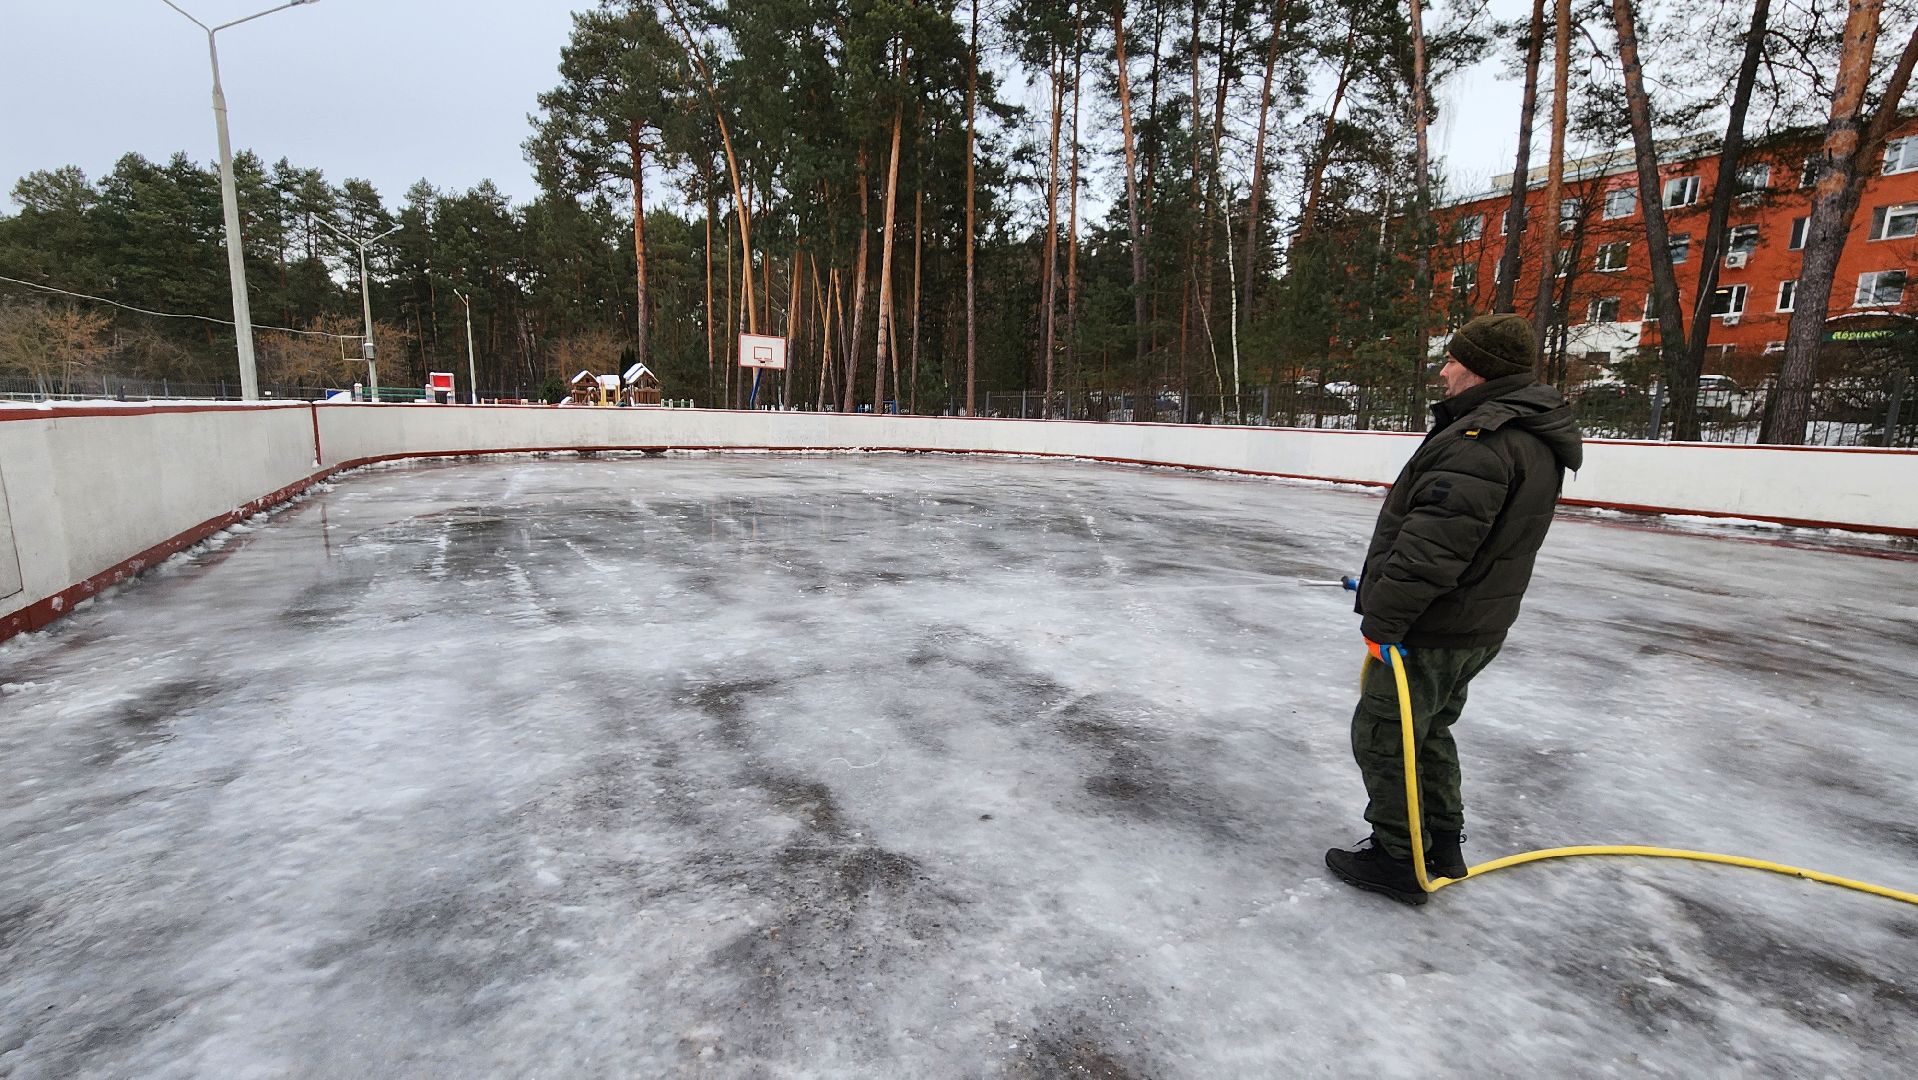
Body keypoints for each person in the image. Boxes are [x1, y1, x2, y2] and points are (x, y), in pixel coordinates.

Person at [1325, 313, 1584, 906]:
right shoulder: (1524, 433)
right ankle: (1439, 842)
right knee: (1430, 729)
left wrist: (1383, 619)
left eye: (1452, 360)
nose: (1442, 370)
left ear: (1478, 369)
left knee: (1386, 733)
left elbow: (1431, 552)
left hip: (1435, 625)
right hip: (1474, 622)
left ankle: (1398, 858)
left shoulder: (1483, 443)